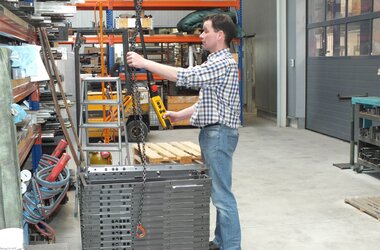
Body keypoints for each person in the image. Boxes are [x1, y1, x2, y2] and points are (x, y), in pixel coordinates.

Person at [126, 13, 241, 250]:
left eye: (205, 31)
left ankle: (231, 246)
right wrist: (180, 115)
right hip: (216, 133)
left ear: (219, 35)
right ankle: (221, 242)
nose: (201, 35)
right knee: (219, 192)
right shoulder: (215, 61)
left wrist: (145, 63)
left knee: (222, 196)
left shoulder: (222, 62)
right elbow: (209, 101)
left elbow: (186, 76)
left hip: (218, 135)